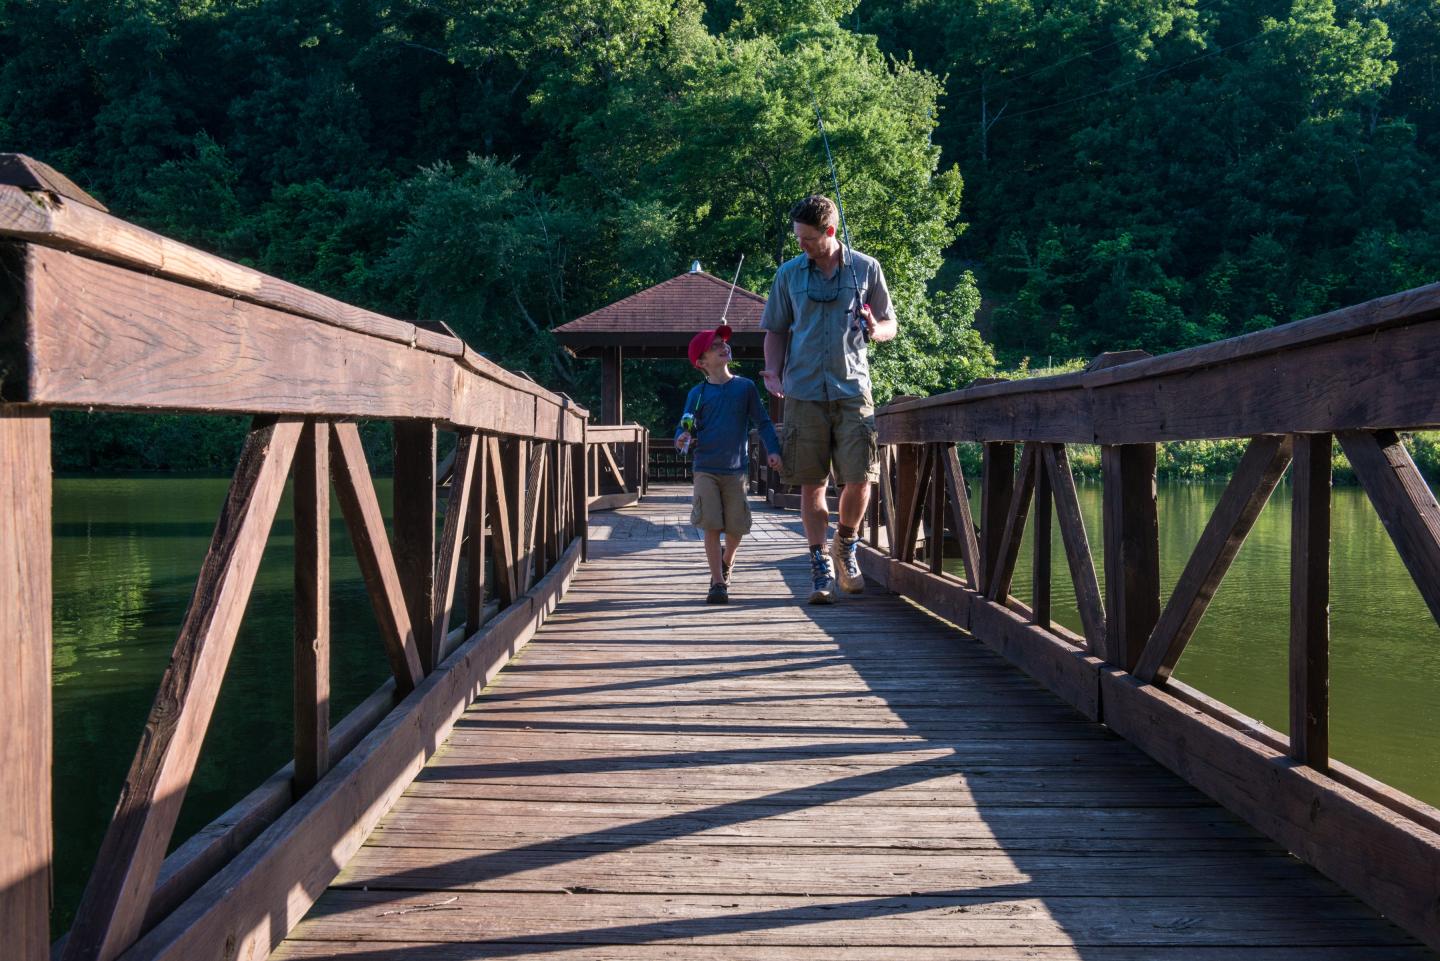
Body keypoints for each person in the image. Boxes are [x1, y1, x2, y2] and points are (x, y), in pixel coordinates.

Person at [761, 194, 897, 604]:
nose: (801, 244)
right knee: (811, 484)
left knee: (860, 478)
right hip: (803, 391)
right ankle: (819, 562)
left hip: (853, 389)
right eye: (798, 237)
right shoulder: (788, 274)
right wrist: (772, 370)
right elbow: (776, 330)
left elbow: (891, 324)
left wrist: (875, 328)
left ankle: (847, 544)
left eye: (807, 238)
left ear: (830, 232)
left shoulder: (866, 268)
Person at [675, 323, 784, 603]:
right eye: (715, 345)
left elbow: (762, 422)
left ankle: (726, 561)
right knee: (710, 524)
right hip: (705, 468)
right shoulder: (697, 394)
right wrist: (681, 438)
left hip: (736, 470)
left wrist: (773, 450)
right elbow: (684, 426)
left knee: (737, 527)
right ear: (701, 362)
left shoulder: (745, 387)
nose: (724, 346)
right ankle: (718, 584)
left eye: (724, 343)